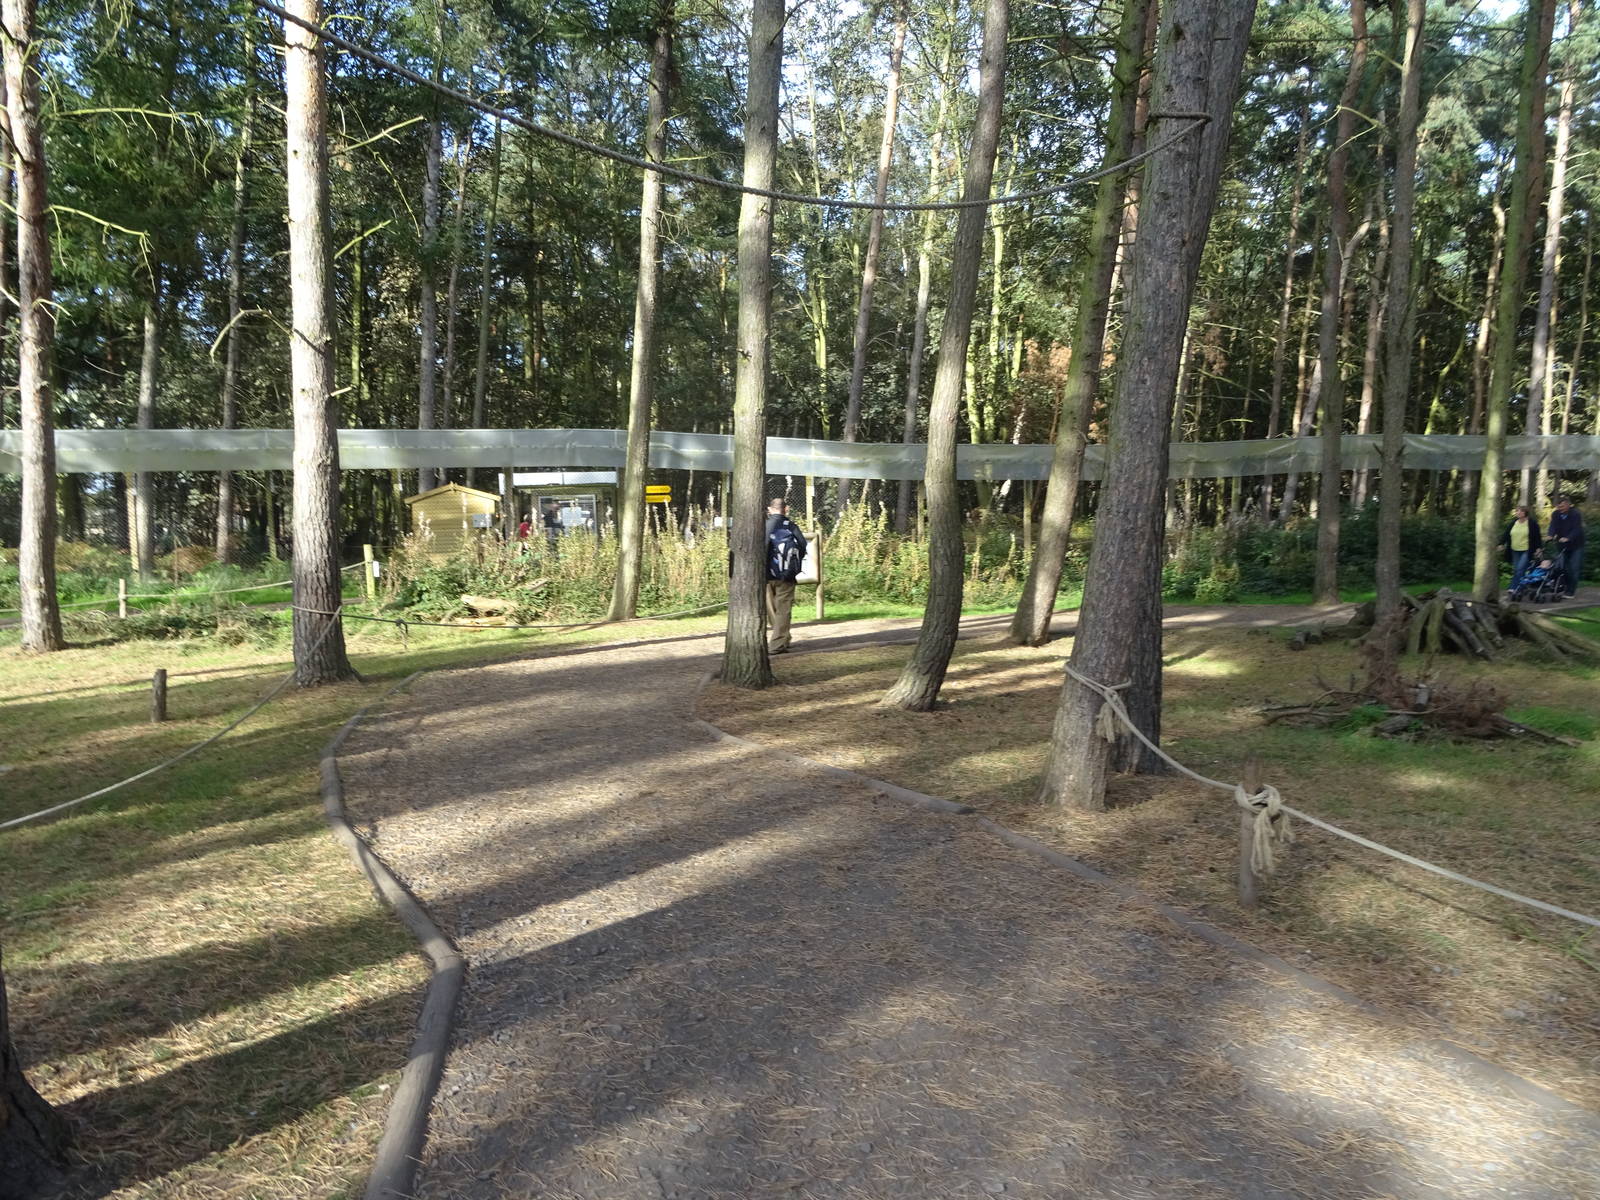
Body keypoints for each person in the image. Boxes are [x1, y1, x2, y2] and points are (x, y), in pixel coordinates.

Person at [764, 497, 807, 654]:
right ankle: (779, 642)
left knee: (772, 610)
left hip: (766, 575)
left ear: (770, 509)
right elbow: (802, 545)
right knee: (784, 609)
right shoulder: (791, 526)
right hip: (787, 575)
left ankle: (780, 639)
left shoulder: (763, 526)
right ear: (785, 509)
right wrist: (793, 566)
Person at [1547, 494, 1585, 599]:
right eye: (1558, 507)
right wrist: (1550, 535)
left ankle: (1570, 591)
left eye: (1562, 506)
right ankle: (1563, 587)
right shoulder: (1555, 514)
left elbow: (1577, 529)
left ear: (1568, 505)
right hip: (1561, 545)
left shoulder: (1575, 514)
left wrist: (1568, 538)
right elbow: (1553, 525)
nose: (1560, 509)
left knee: (1574, 568)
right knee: (1563, 567)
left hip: (1576, 545)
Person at [1500, 505, 1542, 593]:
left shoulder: (1532, 523)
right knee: (1516, 570)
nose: (1518, 513)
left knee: (1520, 569)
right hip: (1514, 550)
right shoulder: (1513, 523)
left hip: (1526, 550)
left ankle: (1513, 587)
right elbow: (1506, 534)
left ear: (1525, 513)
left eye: (1520, 511)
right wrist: (1501, 544)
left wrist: (1538, 548)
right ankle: (1521, 588)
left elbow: (1537, 537)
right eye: (1517, 511)